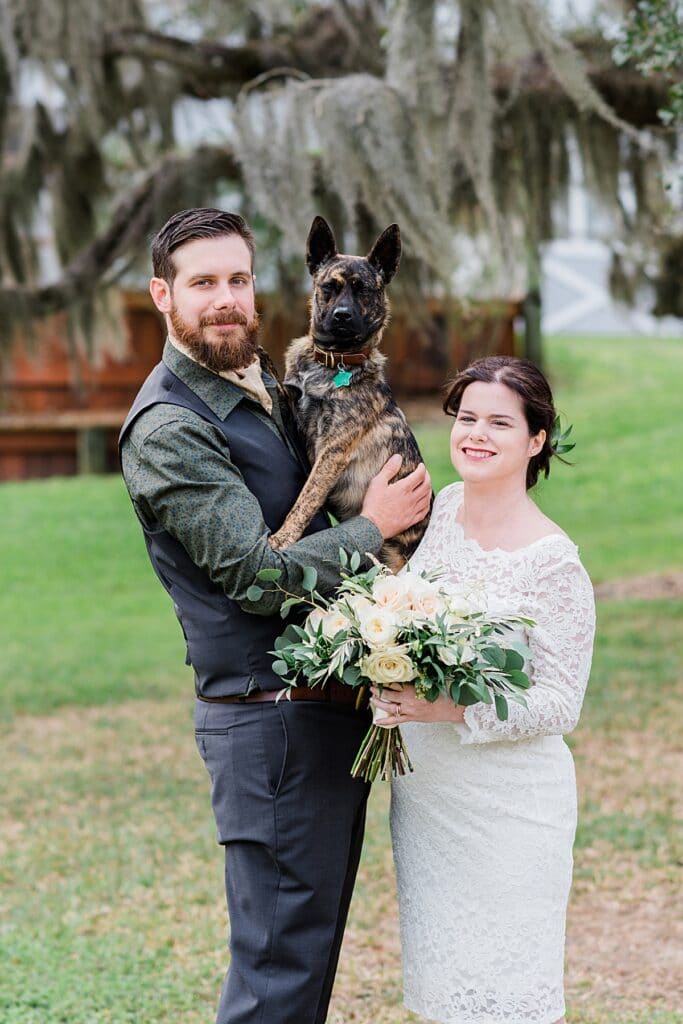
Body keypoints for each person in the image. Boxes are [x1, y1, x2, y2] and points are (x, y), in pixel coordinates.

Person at [118, 207, 432, 1024]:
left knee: (302, 962)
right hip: (270, 726)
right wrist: (375, 526)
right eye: (202, 284)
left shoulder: (258, 384)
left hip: (319, 714)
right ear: (163, 294)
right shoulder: (170, 427)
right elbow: (255, 577)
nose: (225, 300)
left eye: (237, 279)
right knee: (275, 980)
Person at [372, 356, 596, 1024]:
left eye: (499, 422)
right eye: (466, 418)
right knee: (444, 990)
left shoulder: (553, 561)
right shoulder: (437, 511)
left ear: (535, 441)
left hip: (509, 809)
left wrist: (447, 706)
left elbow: (561, 701)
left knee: (508, 993)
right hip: (429, 796)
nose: (475, 433)